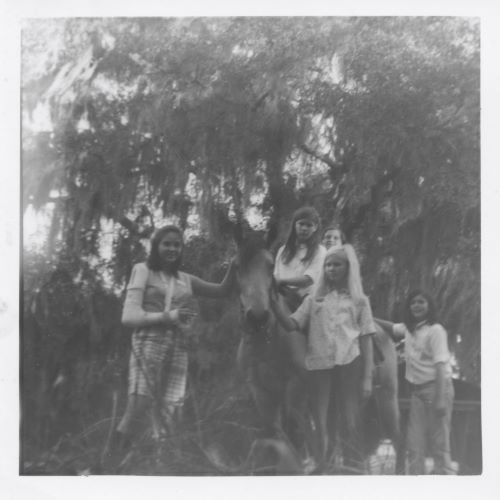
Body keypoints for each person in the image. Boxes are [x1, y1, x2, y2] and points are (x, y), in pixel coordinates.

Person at [110, 225, 235, 456]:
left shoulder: (185, 279)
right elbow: (128, 317)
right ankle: (110, 463)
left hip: (178, 345)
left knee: (169, 409)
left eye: (177, 244)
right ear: (156, 246)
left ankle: (161, 463)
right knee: (139, 404)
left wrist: (236, 263)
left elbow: (222, 290)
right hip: (148, 341)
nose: (172, 248)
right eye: (166, 243)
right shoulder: (143, 270)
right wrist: (169, 316)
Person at [271, 244, 376, 470]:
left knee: (349, 418)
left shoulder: (360, 300)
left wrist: (367, 377)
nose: (331, 269)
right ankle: (323, 465)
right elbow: (292, 324)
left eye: (336, 264)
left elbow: (367, 338)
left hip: (349, 364)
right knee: (320, 419)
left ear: (347, 268)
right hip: (320, 366)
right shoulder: (314, 299)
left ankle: (353, 466)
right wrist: (274, 306)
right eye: (327, 265)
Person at [375, 290, 455, 474]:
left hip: (437, 389)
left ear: (429, 306)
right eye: (413, 303)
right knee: (414, 445)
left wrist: (440, 399)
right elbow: (391, 327)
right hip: (417, 394)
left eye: (421, 302)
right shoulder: (409, 329)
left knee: (439, 445)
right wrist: (367, 316)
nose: (416, 306)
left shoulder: (436, 330)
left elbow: (441, 366)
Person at [274, 206, 326, 312]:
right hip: (281, 298)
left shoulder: (320, 251)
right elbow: (276, 275)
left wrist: (282, 281)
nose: (304, 228)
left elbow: (308, 280)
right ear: (294, 225)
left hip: (306, 303)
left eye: (309, 225)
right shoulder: (283, 250)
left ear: (315, 227)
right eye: (301, 224)